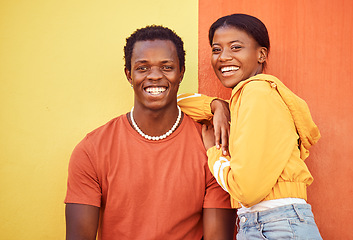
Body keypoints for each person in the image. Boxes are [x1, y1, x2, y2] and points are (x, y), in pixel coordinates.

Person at [64, 25, 236, 240]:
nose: (154, 76)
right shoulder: (92, 150)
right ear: (129, 75)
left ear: (181, 73)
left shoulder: (210, 148)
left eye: (166, 67)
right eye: (143, 68)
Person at [178, 14, 323, 239]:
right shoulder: (245, 102)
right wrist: (216, 105)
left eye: (236, 47)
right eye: (216, 50)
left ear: (261, 54)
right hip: (270, 223)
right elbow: (176, 101)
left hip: (276, 226)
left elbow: (247, 191)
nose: (223, 57)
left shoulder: (257, 94)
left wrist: (213, 152)